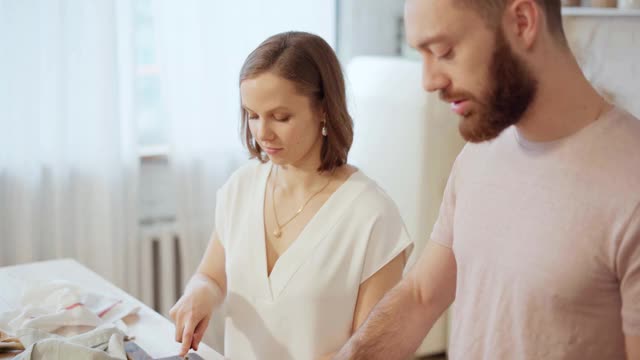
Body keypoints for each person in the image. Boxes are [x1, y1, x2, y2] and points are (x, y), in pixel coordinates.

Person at [334, 0, 640, 359]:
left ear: (523, 22)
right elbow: (421, 295)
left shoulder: (628, 182)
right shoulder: (480, 153)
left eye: (445, 51)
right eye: (423, 55)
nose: (429, 81)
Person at [168, 31, 413, 359]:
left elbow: (372, 351)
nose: (262, 133)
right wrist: (198, 294)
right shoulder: (242, 187)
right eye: (253, 115)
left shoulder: (372, 215)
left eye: (280, 117)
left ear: (323, 109)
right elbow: (211, 276)